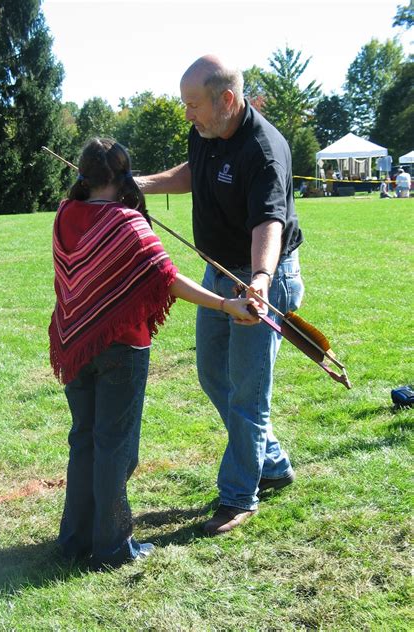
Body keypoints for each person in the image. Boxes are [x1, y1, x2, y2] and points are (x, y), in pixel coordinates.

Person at [49, 138, 259, 569]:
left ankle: (75, 539)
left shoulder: (65, 213)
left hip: (75, 343)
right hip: (121, 350)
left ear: (83, 175)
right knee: (116, 449)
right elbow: (169, 279)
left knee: (84, 440)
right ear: (124, 176)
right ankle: (110, 547)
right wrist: (225, 304)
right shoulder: (128, 224)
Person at [136, 55, 304, 536]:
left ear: (226, 100)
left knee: (248, 394)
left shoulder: (264, 150)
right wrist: (139, 184)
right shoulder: (209, 132)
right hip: (219, 274)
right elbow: (195, 171)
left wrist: (261, 280)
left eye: (193, 105)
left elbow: (269, 222)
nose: (187, 114)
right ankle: (270, 462)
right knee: (214, 375)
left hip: (261, 277)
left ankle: (238, 496)